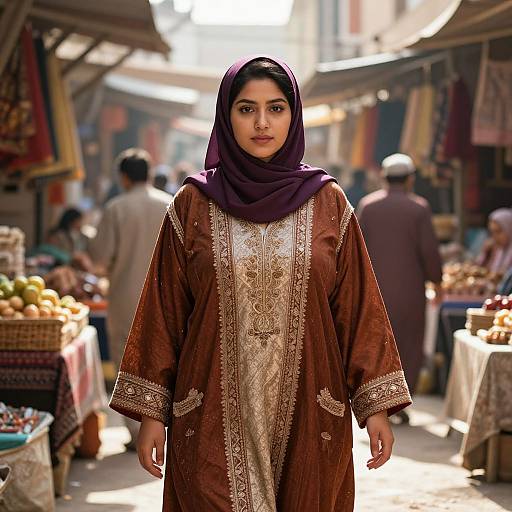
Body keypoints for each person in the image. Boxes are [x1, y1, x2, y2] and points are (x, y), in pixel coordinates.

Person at [110, 57, 411, 512]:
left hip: (311, 412)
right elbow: (163, 311)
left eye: (276, 108)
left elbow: (358, 307)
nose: (262, 122)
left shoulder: (329, 202)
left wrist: (376, 408)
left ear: (294, 115)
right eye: (246, 109)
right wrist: (152, 412)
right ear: (226, 117)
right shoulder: (192, 202)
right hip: (209, 411)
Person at [88, 148, 172, 448]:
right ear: (148, 174)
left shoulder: (116, 208)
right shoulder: (170, 204)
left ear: (123, 177)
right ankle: (163, 425)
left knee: (128, 359)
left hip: (126, 296)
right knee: (165, 355)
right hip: (167, 296)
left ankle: (138, 433)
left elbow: (99, 258)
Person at [357, 153, 443, 421]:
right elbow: (429, 251)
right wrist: (437, 281)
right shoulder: (419, 208)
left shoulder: (368, 206)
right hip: (409, 292)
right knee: (407, 344)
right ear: (410, 180)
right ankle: (401, 404)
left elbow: (355, 250)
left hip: (374, 292)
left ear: (383, 177)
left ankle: (379, 403)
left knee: (377, 345)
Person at [476, 207, 512, 275]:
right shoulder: (496, 250)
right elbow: (479, 270)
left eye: (498, 231)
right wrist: (485, 254)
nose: (494, 237)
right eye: (492, 232)